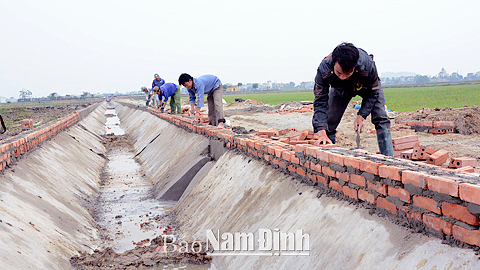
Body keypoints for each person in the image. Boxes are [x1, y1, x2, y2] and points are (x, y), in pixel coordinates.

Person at [312, 42, 394, 156]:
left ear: (354, 67)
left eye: (347, 73)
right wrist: (320, 130)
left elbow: (373, 93)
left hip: (367, 87)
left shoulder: (367, 65)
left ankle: (389, 159)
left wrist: (361, 116)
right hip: (340, 89)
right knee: (329, 122)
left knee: (381, 117)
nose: (342, 77)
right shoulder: (324, 68)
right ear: (333, 63)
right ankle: (329, 158)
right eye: (339, 72)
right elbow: (320, 100)